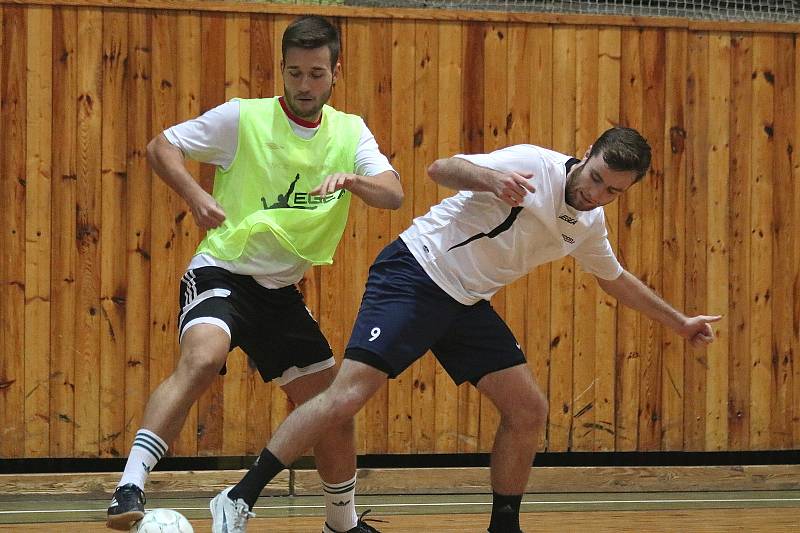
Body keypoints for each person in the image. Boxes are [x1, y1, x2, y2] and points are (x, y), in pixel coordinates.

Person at [209, 126, 722, 533]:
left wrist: (679, 322)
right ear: (586, 154)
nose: (597, 195)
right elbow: (441, 168)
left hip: (465, 304)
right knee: (346, 396)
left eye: (614, 192)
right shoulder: (533, 163)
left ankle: (504, 527)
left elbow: (617, 280)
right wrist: (489, 180)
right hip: (416, 273)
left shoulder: (587, 225)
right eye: (596, 179)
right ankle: (239, 497)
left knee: (528, 409)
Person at [105, 15, 402, 533]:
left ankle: (342, 522)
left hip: (279, 292)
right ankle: (129, 484)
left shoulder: (350, 132)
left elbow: (394, 193)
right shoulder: (242, 118)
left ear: (336, 71)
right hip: (222, 269)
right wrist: (196, 196)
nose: (304, 85)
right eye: (294, 73)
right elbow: (161, 147)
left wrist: (354, 179)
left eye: (315, 73)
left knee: (332, 408)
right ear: (280, 70)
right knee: (203, 357)